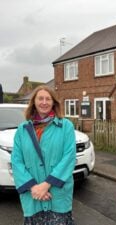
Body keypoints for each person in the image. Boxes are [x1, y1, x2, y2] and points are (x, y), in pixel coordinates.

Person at [11, 85, 76, 225]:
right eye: (40, 98)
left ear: (54, 102)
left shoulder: (66, 126)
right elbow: (16, 161)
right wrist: (34, 187)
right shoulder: (22, 130)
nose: (44, 102)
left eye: (48, 99)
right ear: (34, 101)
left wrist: (46, 185)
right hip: (32, 196)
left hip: (57, 194)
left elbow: (69, 157)